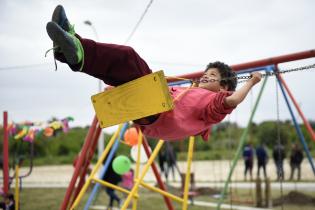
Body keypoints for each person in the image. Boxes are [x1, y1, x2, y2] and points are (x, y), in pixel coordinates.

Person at [46, 5, 262, 141]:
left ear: (223, 87)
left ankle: (76, 46)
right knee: (123, 68)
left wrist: (251, 82)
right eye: (206, 73)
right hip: (151, 112)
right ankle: (67, 48)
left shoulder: (214, 103)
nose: (206, 76)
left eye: (212, 76)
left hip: (159, 114)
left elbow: (233, 101)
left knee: (129, 58)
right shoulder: (189, 91)